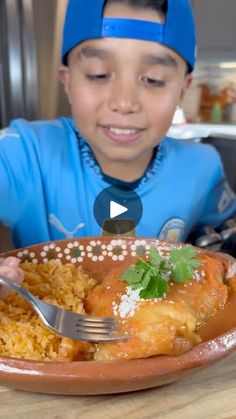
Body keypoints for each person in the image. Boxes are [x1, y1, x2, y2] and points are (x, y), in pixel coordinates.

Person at [0, 0, 235, 252]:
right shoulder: (24, 154)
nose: (124, 102)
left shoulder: (202, 168)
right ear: (68, 82)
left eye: (154, 80)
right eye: (98, 74)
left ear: (182, 90)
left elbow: (219, 232)